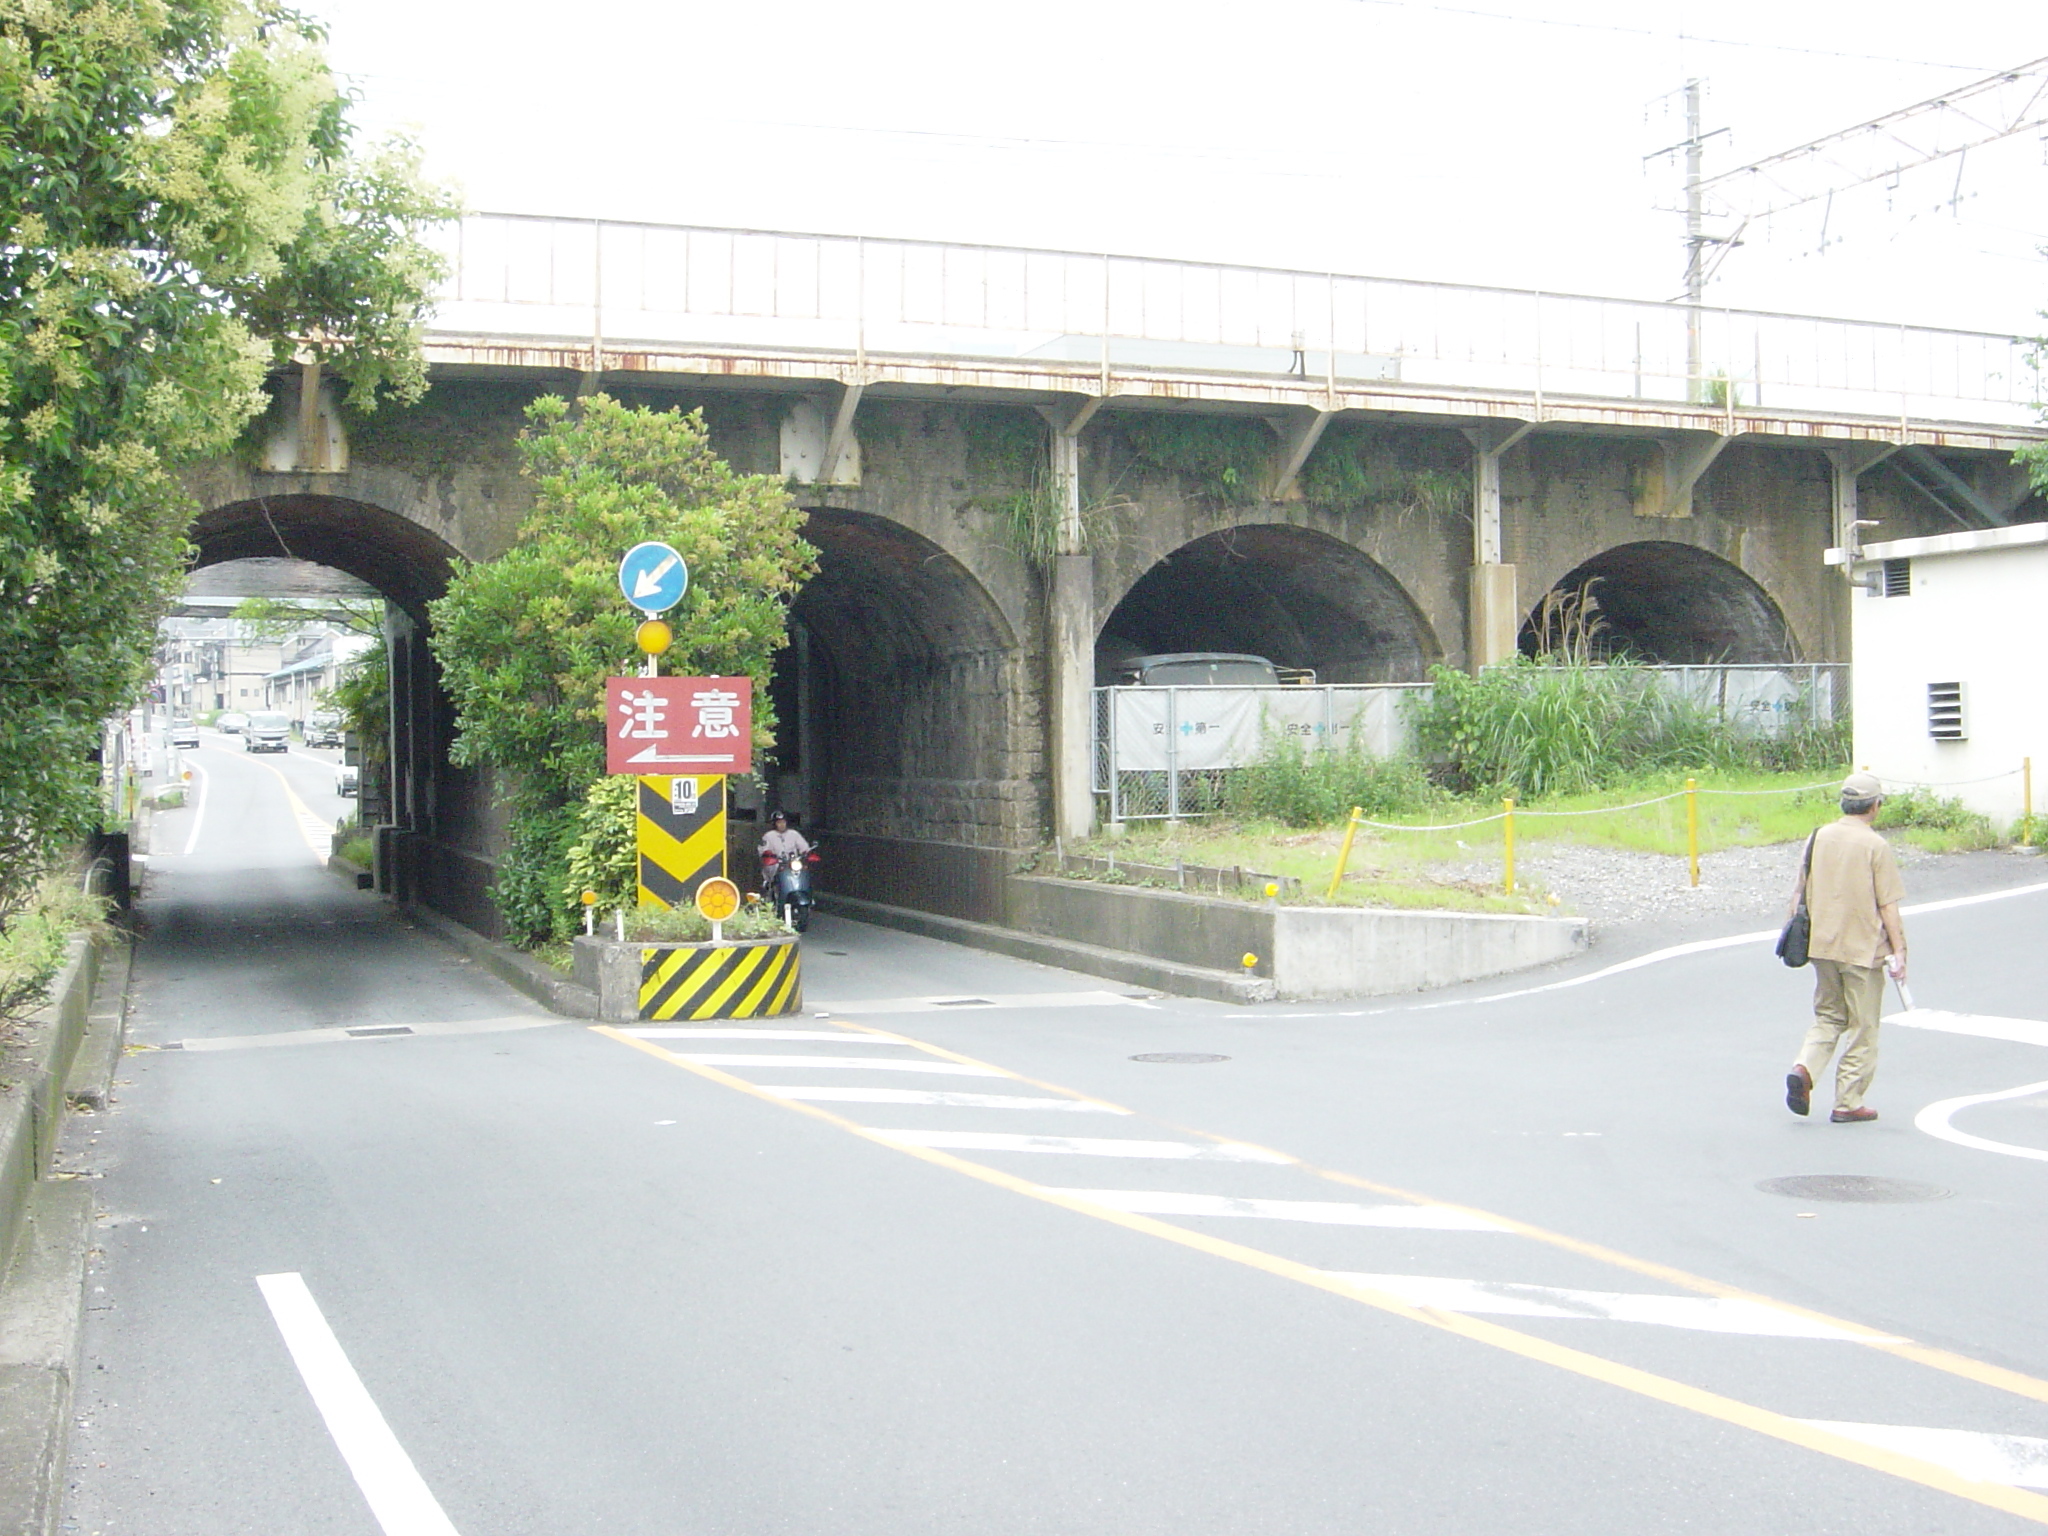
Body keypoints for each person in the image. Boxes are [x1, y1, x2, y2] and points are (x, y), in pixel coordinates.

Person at [1785, 771, 1908, 1124]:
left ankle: (1804, 1067)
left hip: (1821, 945)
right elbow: (1888, 905)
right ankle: (1848, 1100)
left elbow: (1799, 891)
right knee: (1863, 1025)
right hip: (1862, 949)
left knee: (1828, 1016)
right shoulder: (1875, 846)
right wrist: (1899, 952)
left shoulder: (1818, 837)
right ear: (1875, 806)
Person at [757, 810, 812, 893]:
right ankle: (771, 889)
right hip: (776, 864)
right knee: (771, 872)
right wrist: (769, 855)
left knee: (804, 871)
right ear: (774, 824)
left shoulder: (794, 834)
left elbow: (804, 847)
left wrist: (806, 853)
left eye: (783, 822)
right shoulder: (768, 836)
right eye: (779, 822)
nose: (782, 824)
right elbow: (763, 850)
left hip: (792, 863)